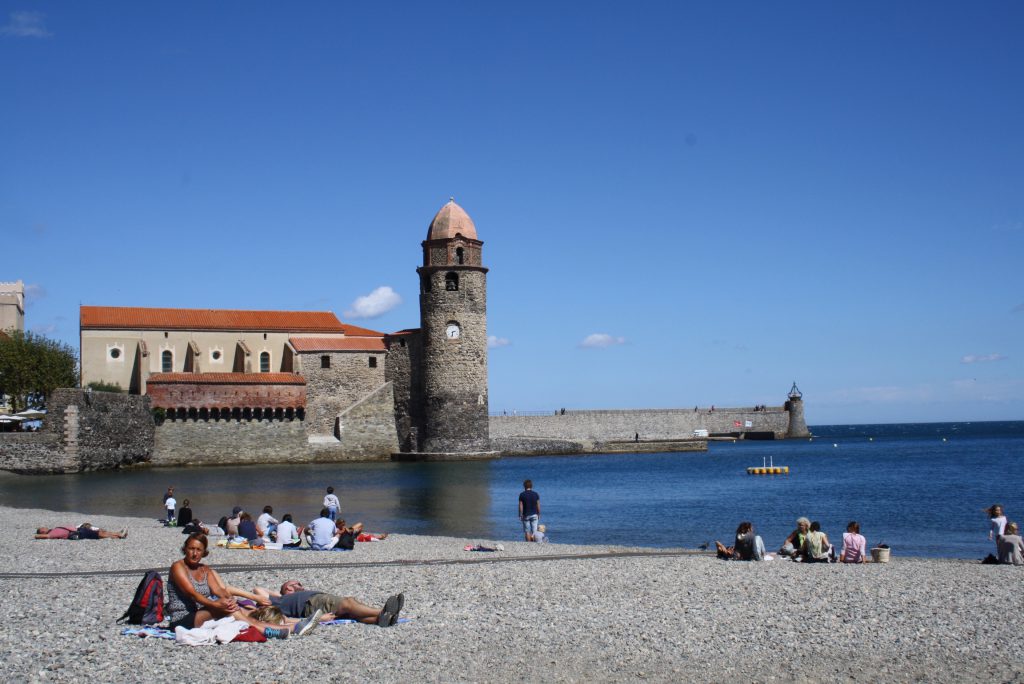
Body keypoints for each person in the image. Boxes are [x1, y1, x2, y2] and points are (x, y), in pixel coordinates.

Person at [166, 532, 318, 638]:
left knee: (234, 607)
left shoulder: (205, 569)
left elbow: (219, 590)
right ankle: (284, 629)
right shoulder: (178, 567)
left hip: (199, 614)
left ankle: (284, 628)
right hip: (182, 619)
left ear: (204, 552)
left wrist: (228, 600)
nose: (194, 553)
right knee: (229, 609)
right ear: (185, 549)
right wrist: (217, 605)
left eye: (198, 550)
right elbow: (192, 594)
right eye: (191, 549)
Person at [253, 579, 404, 628]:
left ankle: (383, 620)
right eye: (296, 583)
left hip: (313, 607)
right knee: (348, 602)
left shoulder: (280, 601)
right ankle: (382, 611)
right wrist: (282, 591)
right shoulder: (278, 600)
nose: (301, 585)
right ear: (288, 587)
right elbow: (257, 589)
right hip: (312, 602)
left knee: (354, 614)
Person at [35, 523, 127, 540]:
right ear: (42, 532)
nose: (43, 527)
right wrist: (36, 535)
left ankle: (118, 534)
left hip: (78, 530)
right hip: (78, 533)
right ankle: (119, 535)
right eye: (41, 528)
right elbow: (46, 537)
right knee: (99, 534)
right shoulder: (51, 533)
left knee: (99, 532)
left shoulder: (53, 530)